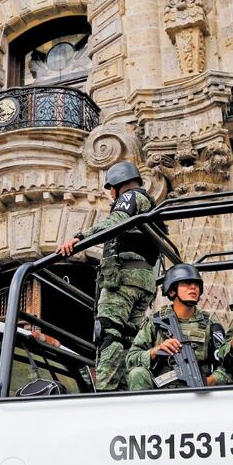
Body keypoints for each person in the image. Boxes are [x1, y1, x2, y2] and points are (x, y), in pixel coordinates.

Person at [57, 161, 159, 391]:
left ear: (116, 186)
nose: (111, 196)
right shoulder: (149, 204)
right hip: (143, 280)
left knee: (109, 330)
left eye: (111, 190)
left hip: (126, 277)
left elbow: (116, 221)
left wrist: (79, 238)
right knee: (127, 337)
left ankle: (106, 390)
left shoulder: (130, 197)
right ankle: (123, 387)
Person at [126, 263, 232, 390]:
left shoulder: (210, 324)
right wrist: (156, 351)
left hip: (198, 390)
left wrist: (211, 381)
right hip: (161, 392)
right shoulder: (156, 322)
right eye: (186, 283)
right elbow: (131, 360)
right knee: (137, 374)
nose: (193, 287)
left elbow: (225, 365)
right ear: (172, 291)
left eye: (196, 284)